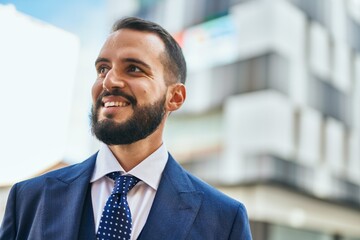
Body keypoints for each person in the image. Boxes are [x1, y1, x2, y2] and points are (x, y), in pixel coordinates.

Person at [0, 17, 252, 240]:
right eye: (102, 69)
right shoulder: (28, 198)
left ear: (174, 97)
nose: (109, 81)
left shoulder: (224, 220)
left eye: (133, 68)